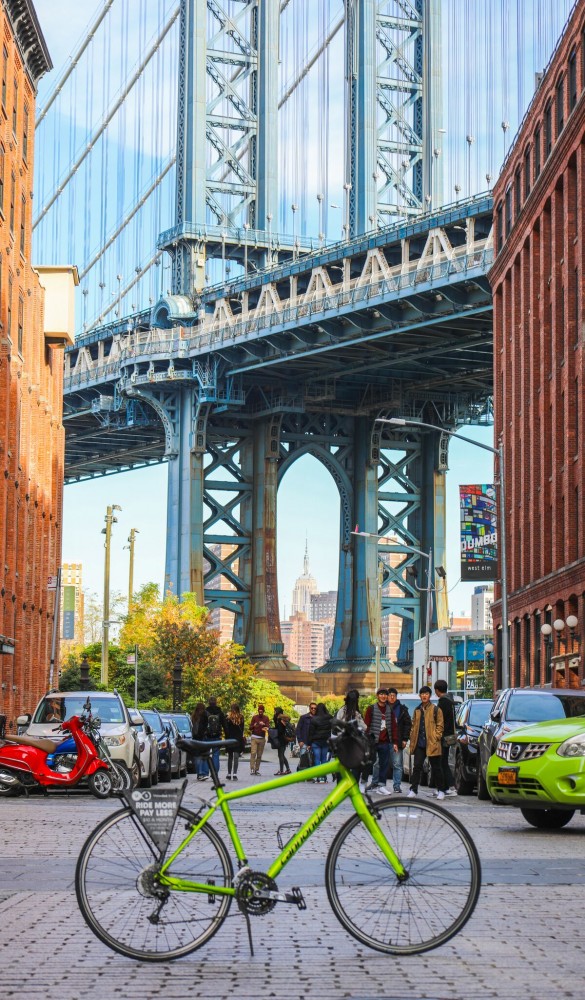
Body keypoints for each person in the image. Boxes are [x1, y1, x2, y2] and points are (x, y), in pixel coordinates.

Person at [407, 686, 445, 800]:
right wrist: (412, 736)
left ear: (430, 695)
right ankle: (413, 790)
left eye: (426, 694)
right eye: (422, 694)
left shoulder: (436, 709)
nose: (424, 696)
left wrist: (436, 737)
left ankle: (441, 790)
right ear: (420, 696)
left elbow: (440, 725)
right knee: (417, 766)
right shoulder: (417, 710)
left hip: (432, 743)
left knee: (436, 768)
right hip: (420, 743)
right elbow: (413, 726)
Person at [363, 688, 393, 796]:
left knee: (384, 764)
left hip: (385, 742)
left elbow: (393, 726)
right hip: (372, 741)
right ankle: (363, 783)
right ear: (377, 696)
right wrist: (366, 739)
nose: (383, 696)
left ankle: (382, 786)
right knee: (368, 763)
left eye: (385, 694)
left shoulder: (389, 709)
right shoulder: (371, 709)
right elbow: (366, 725)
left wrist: (394, 742)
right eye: (381, 694)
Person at [336, 689, 367, 786]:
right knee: (355, 766)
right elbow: (364, 727)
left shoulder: (341, 711)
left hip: (342, 743)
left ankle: (341, 786)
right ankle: (353, 785)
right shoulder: (356, 714)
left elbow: (336, 726)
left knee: (342, 765)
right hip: (354, 744)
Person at [434, 679, 457, 796]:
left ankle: (448, 787)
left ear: (437, 690)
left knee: (441, 762)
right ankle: (447, 787)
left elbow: (440, 721)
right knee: (444, 762)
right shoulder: (450, 701)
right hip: (449, 736)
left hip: (443, 737)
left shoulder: (443, 702)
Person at [307, 703, 333, 783]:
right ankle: (324, 777)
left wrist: (309, 743)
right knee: (324, 759)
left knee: (317, 759)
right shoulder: (329, 717)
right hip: (325, 741)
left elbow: (311, 732)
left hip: (316, 742)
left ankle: (319, 777)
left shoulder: (314, 719)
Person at [204, 697, 226, 776]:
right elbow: (224, 725)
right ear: (216, 702)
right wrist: (227, 736)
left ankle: (205, 773)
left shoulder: (205, 712)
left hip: (207, 736)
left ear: (208, 702)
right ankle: (214, 773)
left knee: (206, 754)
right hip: (217, 736)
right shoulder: (220, 712)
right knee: (216, 754)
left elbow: (202, 725)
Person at [224, 703, 245, 781]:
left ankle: (229, 774)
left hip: (230, 738)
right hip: (238, 739)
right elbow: (242, 729)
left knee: (230, 757)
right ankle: (235, 774)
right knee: (236, 757)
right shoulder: (241, 717)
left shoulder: (228, 717)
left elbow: (226, 729)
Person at [248, 703, 270, 775]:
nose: (260, 712)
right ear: (258, 711)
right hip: (254, 737)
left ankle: (256, 770)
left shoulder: (266, 718)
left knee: (259, 755)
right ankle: (252, 768)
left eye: (261, 711)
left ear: (263, 711)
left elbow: (267, 727)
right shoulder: (254, 717)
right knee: (253, 753)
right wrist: (254, 725)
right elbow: (250, 728)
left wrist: (263, 724)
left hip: (262, 738)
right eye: (259, 711)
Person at [191, 702, 210, 781]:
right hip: (203, 737)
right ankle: (203, 773)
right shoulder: (205, 715)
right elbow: (207, 726)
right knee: (204, 756)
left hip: (195, 738)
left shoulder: (194, 715)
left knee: (197, 756)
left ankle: (199, 773)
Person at [273, 710, 292, 775]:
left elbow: (280, 731)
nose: (274, 713)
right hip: (284, 740)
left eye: (275, 711)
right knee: (282, 755)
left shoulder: (280, 721)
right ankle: (288, 769)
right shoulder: (284, 721)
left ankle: (281, 770)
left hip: (281, 740)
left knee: (280, 755)